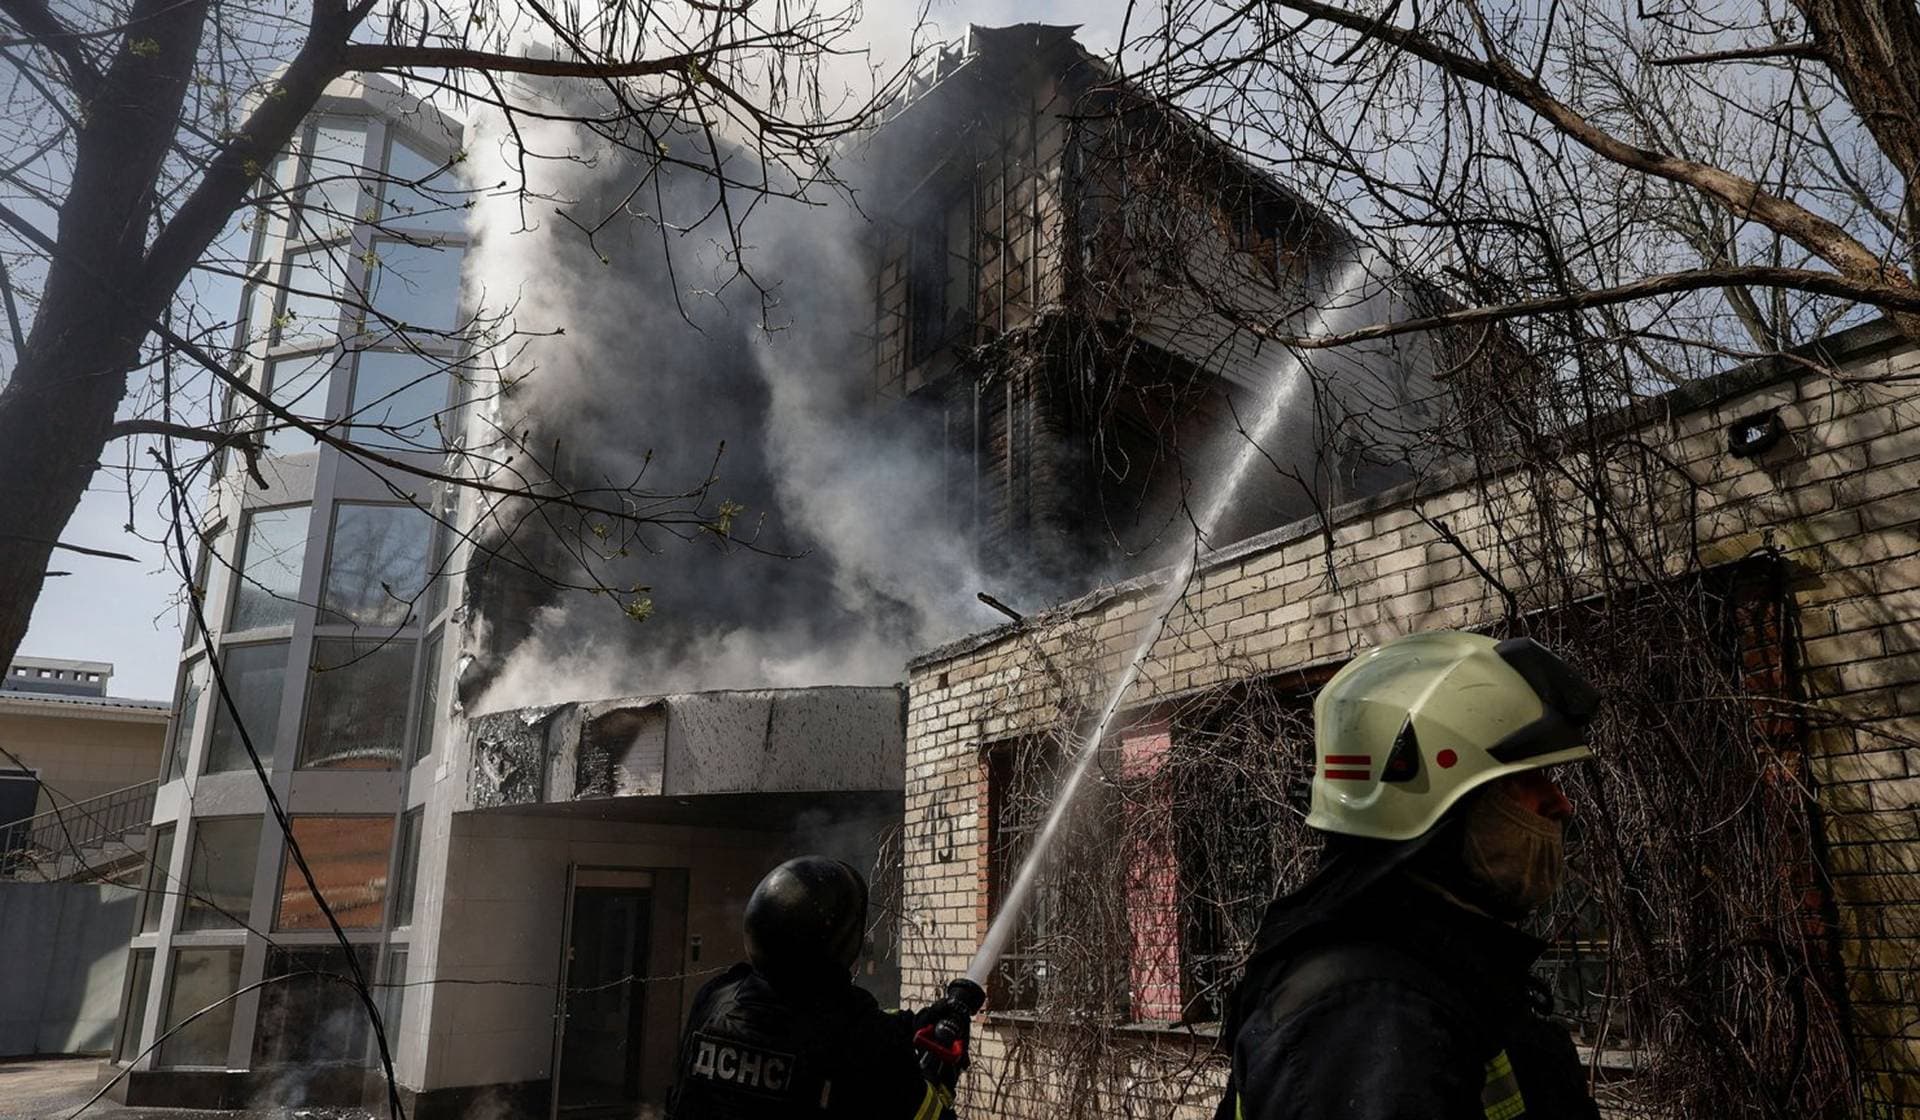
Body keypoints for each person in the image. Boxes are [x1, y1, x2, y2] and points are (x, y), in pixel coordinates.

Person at [1217, 631, 1605, 1120]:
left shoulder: (1433, 971)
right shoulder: (1364, 1023)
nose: (1560, 803)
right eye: (1526, 778)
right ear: (1436, 803)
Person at [666, 855, 970, 1119]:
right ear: (842, 945)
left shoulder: (716, 998)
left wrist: (909, 1025)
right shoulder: (863, 1039)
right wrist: (940, 1071)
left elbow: (811, 1021)